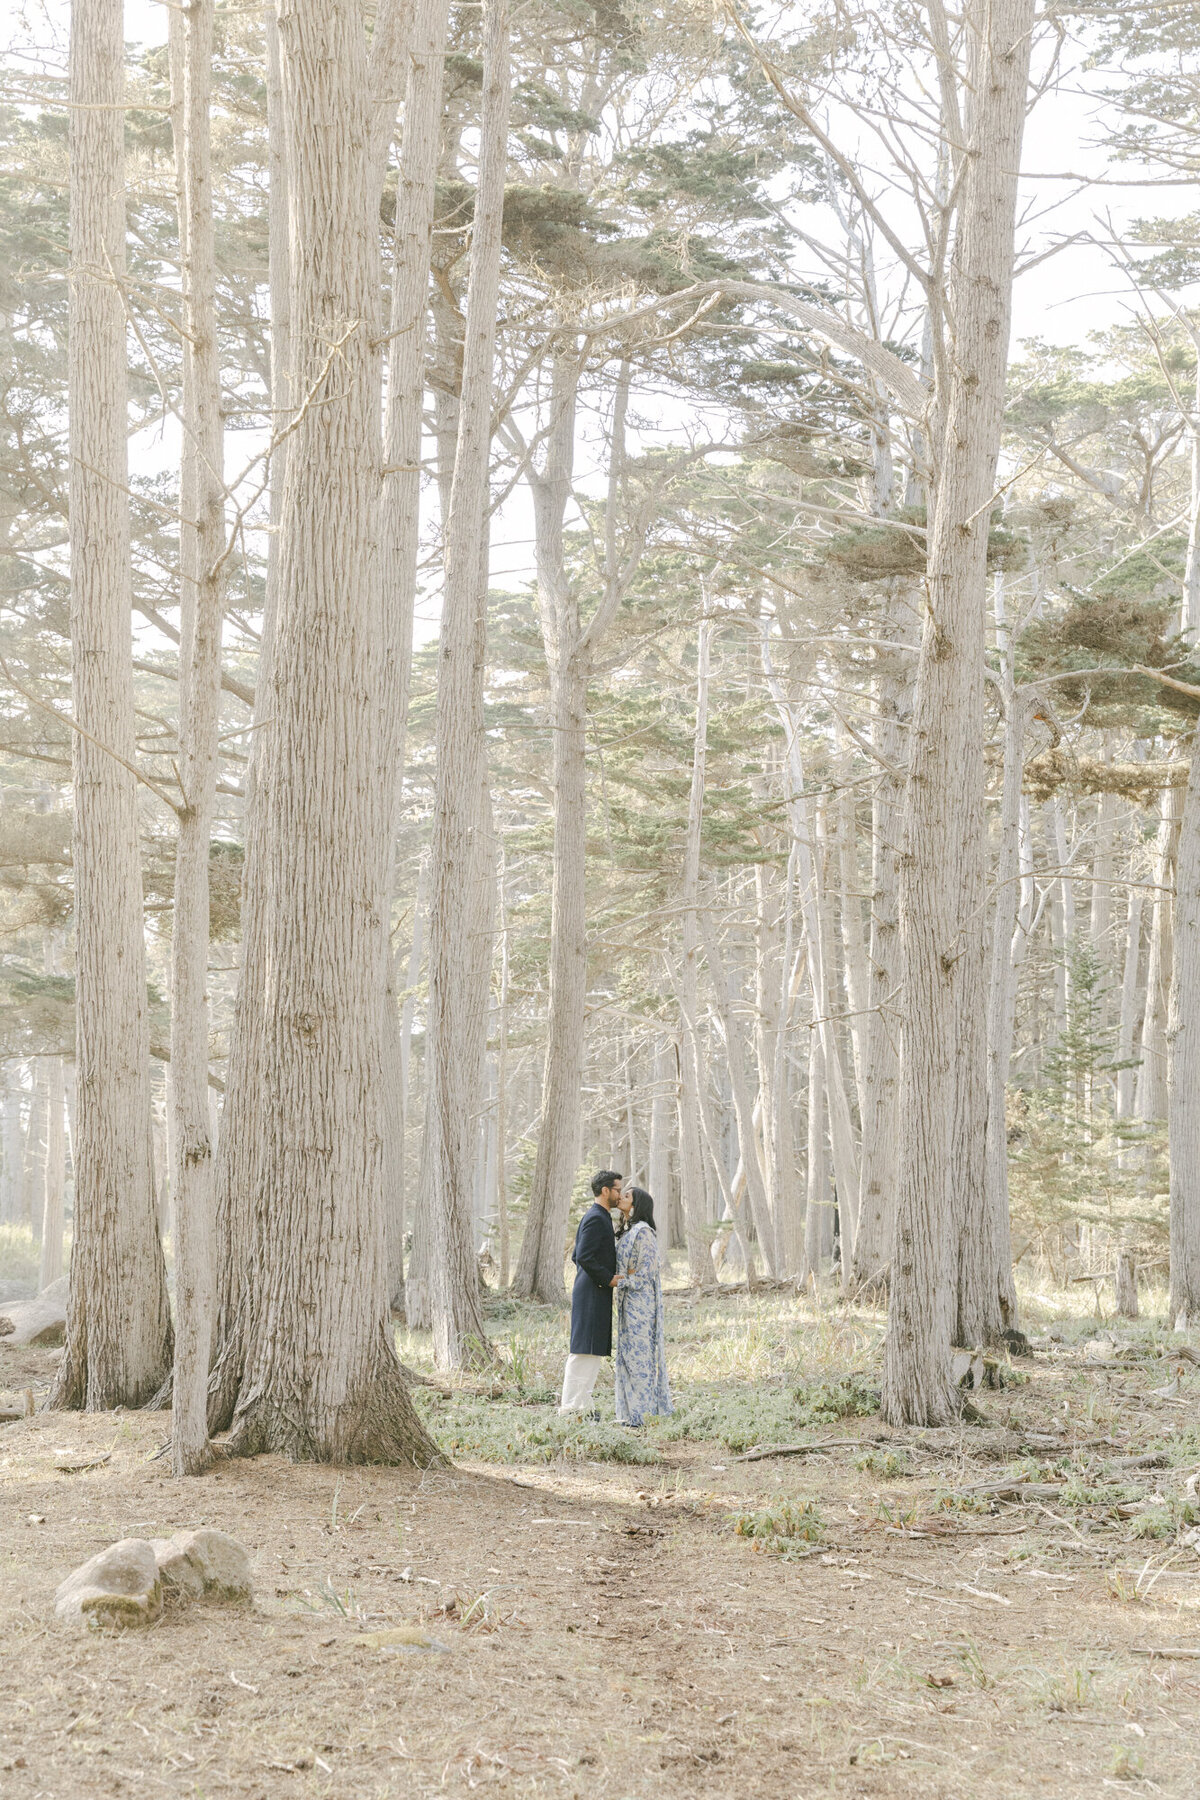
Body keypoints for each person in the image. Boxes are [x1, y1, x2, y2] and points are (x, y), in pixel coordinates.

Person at [559, 1171, 623, 1417]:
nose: (620, 1194)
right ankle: (571, 1408)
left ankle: (582, 1406)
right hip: (592, 1291)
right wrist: (607, 1278)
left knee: (593, 1349)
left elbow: (578, 1255)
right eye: (617, 1189)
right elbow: (583, 1255)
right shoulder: (596, 1217)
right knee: (584, 1349)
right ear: (605, 1190)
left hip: (593, 1290)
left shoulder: (600, 1216)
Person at [614, 1186, 672, 1427]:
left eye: (626, 1196)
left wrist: (624, 1279)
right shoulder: (627, 1232)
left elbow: (647, 1272)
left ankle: (644, 1413)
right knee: (627, 1356)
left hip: (641, 1303)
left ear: (636, 1205)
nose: (621, 1197)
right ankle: (629, 1414)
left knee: (640, 1356)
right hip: (627, 1301)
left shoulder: (644, 1232)